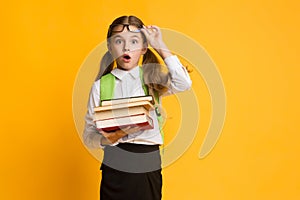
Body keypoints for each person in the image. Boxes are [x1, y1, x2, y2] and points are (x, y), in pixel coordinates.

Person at [83, 15, 192, 200]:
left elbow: (184, 83)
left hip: (146, 162)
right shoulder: (100, 86)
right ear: (110, 47)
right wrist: (113, 136)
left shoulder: (152, 79)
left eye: (134, 41)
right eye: (119, 41)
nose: (126, 47)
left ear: (143, 48)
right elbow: (89, 136)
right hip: (114, 164)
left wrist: (159, 45)